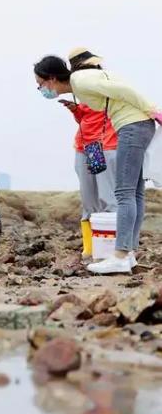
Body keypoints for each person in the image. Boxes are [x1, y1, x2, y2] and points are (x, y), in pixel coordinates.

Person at [34, 48, 160, 274]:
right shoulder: (87, 82)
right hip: (135, 126)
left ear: (52, 78)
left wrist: (154, 110)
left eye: (40, 83)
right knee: (135, 193)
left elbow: (123, 90)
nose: (41, 89)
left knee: (123, 193)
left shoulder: (80, 80)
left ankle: (120, 254)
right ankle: (128, 253)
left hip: (131, 127)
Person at [57, 98, 117, 259]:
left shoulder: (106, 92)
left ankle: (112, 250)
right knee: (88, 201)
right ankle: (90, 248)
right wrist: (75, 109)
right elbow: (84, 118)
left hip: (104, 146)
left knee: (107, 198)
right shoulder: (83, 93)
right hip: (86, 148)